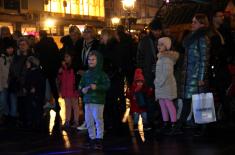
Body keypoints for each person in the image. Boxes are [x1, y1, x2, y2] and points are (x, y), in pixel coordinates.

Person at [178, 13, 210, 134]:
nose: (192, 24)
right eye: (192, 21)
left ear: (202, 24)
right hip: (190, 75)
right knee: (187, 101)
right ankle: (180, 126)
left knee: (201, 102)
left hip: (196, 77)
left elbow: (204, 59)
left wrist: (201, 77)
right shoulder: (193, 37)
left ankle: (203, 128)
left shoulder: (202, 38)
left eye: (195, 22)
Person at [79, 51, 110, 150]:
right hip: (87, 101)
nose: (90, 61)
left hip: (98, 101)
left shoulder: (102, 74)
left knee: (98, 119)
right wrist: (82, 89)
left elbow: (107, 85)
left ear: (98, 60)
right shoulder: (86, 74)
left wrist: (97, 87)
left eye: (93, 59)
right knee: (89, 120)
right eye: (89, 59)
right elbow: (81, 84)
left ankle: (99, 139)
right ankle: (92, 138)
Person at [154, 37, 179, 134]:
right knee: (162, 103)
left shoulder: (167, 58)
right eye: (158, 44)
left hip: (166, 85)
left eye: (161, 45)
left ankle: (173, 123)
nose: (158, 46)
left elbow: (166, 73)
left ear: (167, 46)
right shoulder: (160, 57)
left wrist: (158, 82)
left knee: (168, 103)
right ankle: (165, 122)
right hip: (161, 85)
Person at [58, 52, 79, 129]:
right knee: (67, 106)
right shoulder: (63, 68)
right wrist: (60, 73)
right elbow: (61, 79)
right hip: (66, 89)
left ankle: (76, 121)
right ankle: (67, 120)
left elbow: (74, 78)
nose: (65, 59)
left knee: (74, 106)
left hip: (72, 89)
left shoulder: (74, 67)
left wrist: (76, 87)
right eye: (65, 57)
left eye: (67, 57)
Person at [23, 56, 45, 129]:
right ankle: (32, 121)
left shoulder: (38, 72)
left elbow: (41, 83)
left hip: (37, 94)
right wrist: (25, 87)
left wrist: (35, 88)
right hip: (29, 93)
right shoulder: (29, 71)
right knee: (30, 107)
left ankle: (37, 122)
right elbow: (26, 81)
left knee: (37, 107)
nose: (26, 63)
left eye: (28, 62)